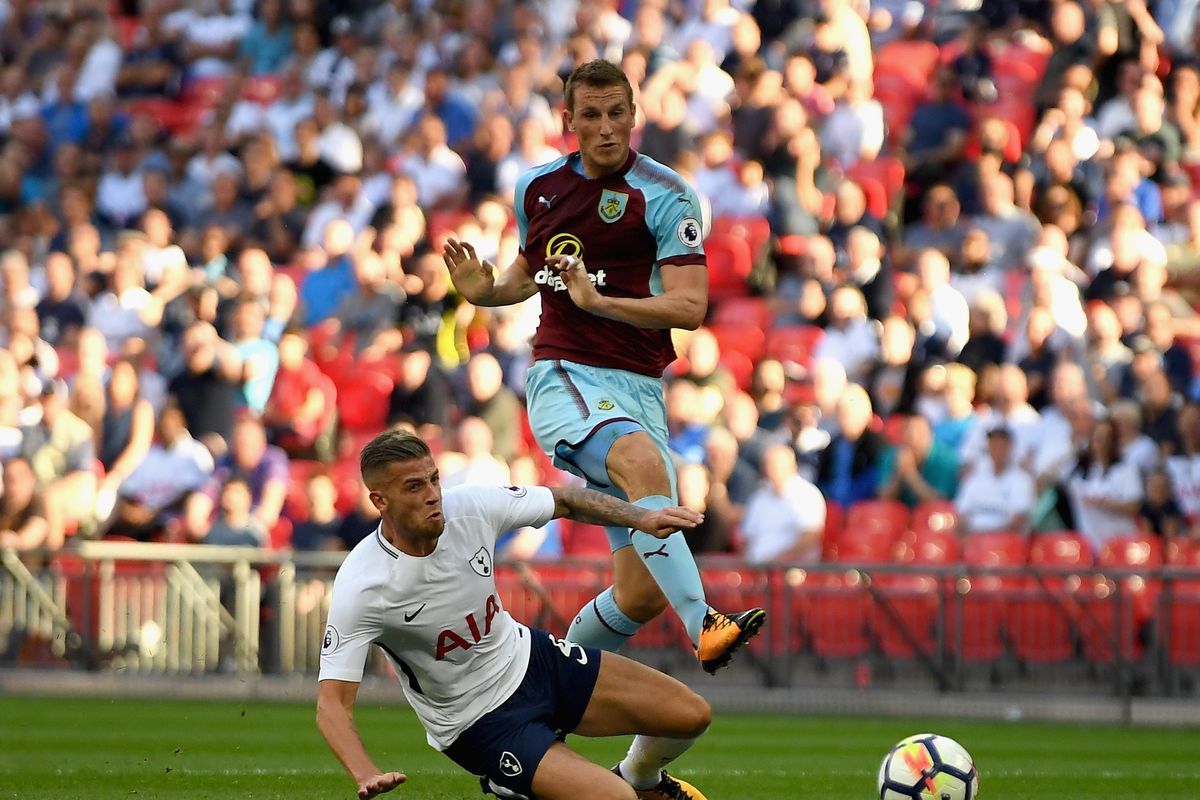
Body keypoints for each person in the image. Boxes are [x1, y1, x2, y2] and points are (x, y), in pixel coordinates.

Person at [443, 59, 763, 673]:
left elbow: (691, 307)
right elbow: (527, 276)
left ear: (634, 115)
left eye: (617, 113)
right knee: (642, 464)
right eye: (591, 115)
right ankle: (706, 623)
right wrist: (483, 291)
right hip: (565, 372)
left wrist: (599, 299)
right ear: (569, 120)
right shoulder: (538, 189)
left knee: (640, 594)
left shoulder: (668, 195)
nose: (607, 128)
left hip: (640, 386)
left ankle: (545, 689)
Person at [318, 429, 713, 800]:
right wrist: (364, 771)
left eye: (434, 479)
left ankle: (640, 778)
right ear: (379, 501)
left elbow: (566, 501)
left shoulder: (471, 507)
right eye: (414, 486)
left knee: (691, 715)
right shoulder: (364, 585)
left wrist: (640, 518)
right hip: (477, 721)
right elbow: (332, 704)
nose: (433, 494)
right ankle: (505, 779)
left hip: (532, 659)